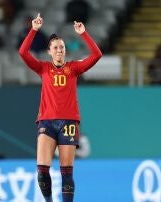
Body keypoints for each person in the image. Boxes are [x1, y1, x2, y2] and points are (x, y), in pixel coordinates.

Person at [18, 14, 102, 202]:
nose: (59, 50)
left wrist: (83, 33)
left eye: (62, 47)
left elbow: (97, 55)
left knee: (66, 172)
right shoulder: (43, 68)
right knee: (42, 172)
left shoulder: (74, 68)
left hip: (69, 122)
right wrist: (33, 30)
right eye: (55, 47)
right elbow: (23, 53)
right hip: (46, 122)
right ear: (49, 51)